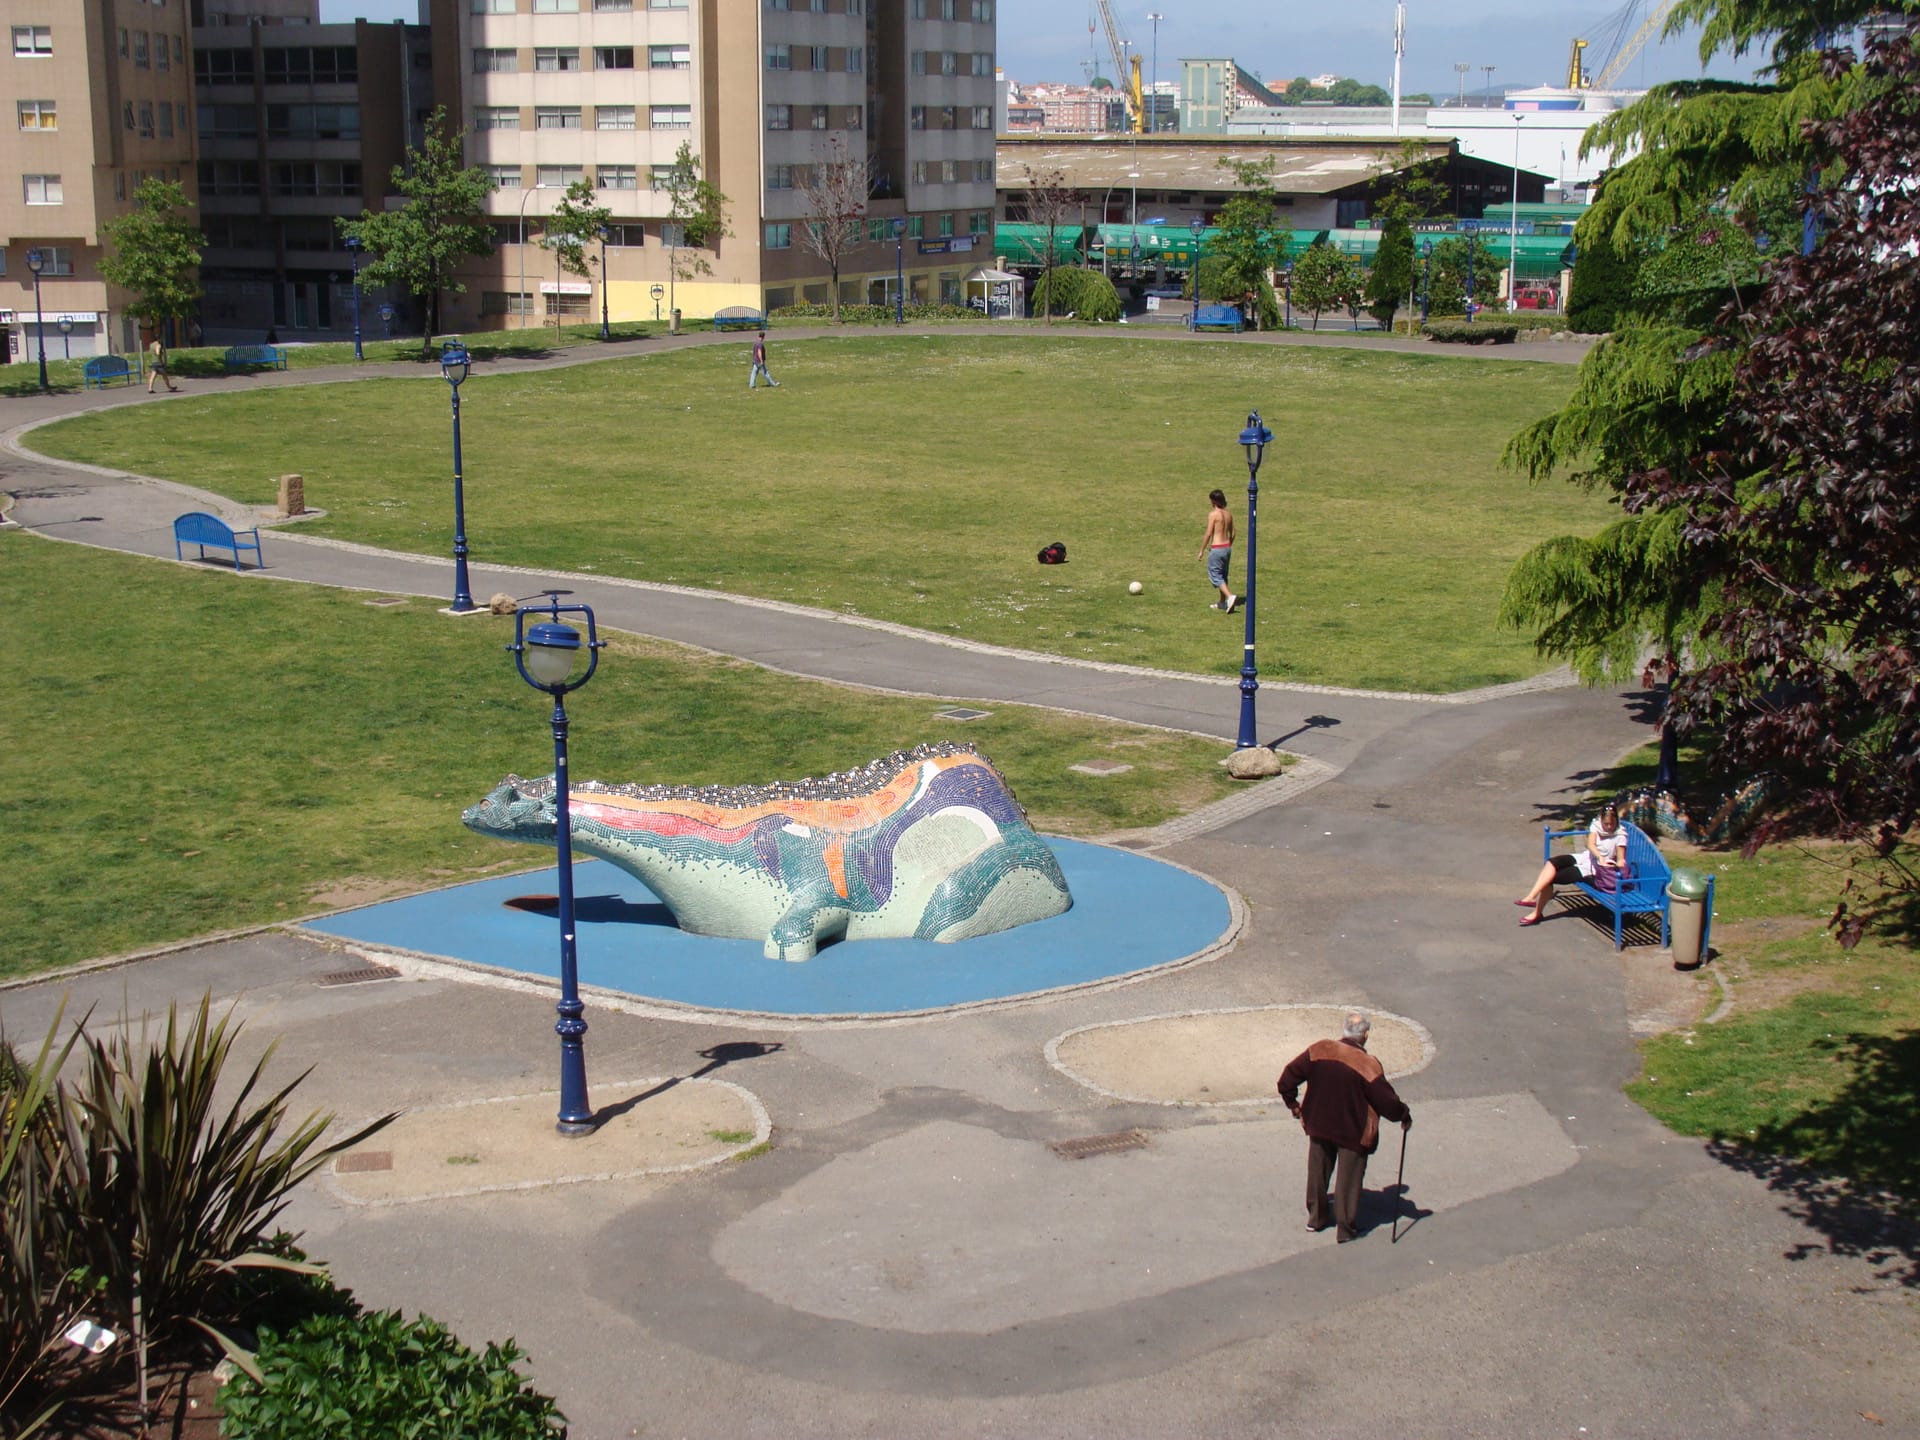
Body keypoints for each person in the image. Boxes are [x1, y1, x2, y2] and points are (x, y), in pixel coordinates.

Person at [1278, 1012, 1412, 1244]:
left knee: (1317, 1173)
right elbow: (1387, 1102)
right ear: (1366, 1035)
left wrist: (1294, 1106)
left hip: (1319, 1124)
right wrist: (1403, 1114)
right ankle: (1345, 1228)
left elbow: (1287, 1079)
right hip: (1353, 1131)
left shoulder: (1320, 1049)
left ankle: (1316, 1218)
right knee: (1348, 1181)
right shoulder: (1367, 1064)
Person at [1515, 802, 1630, 926]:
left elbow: (1620, 858)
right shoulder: (1597, 826)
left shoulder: (1620, 835)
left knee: (1550, 879)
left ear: (1616, 821)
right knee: (1553, 862)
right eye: (1605, 823)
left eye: (1611, 824)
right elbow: (1590, 845)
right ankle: (1532, 897)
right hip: (1586, 857)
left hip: (1593, 870)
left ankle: (1537, 912)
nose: (1608, 827)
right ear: (1601, 820)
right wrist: (1600, 856)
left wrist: (1614, 863)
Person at [1198, 488, 1237, 612]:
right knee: (1223, 575)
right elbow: (1234, 533)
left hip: (1217, 548)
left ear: (1214, 501)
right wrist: (1229, 544)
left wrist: (1202, 550)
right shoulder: (1228, 514)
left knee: (1215, 575)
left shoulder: (1213, 514)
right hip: (1227, 548)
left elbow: (1208, 533)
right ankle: (1222, 602)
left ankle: (1229, 596)